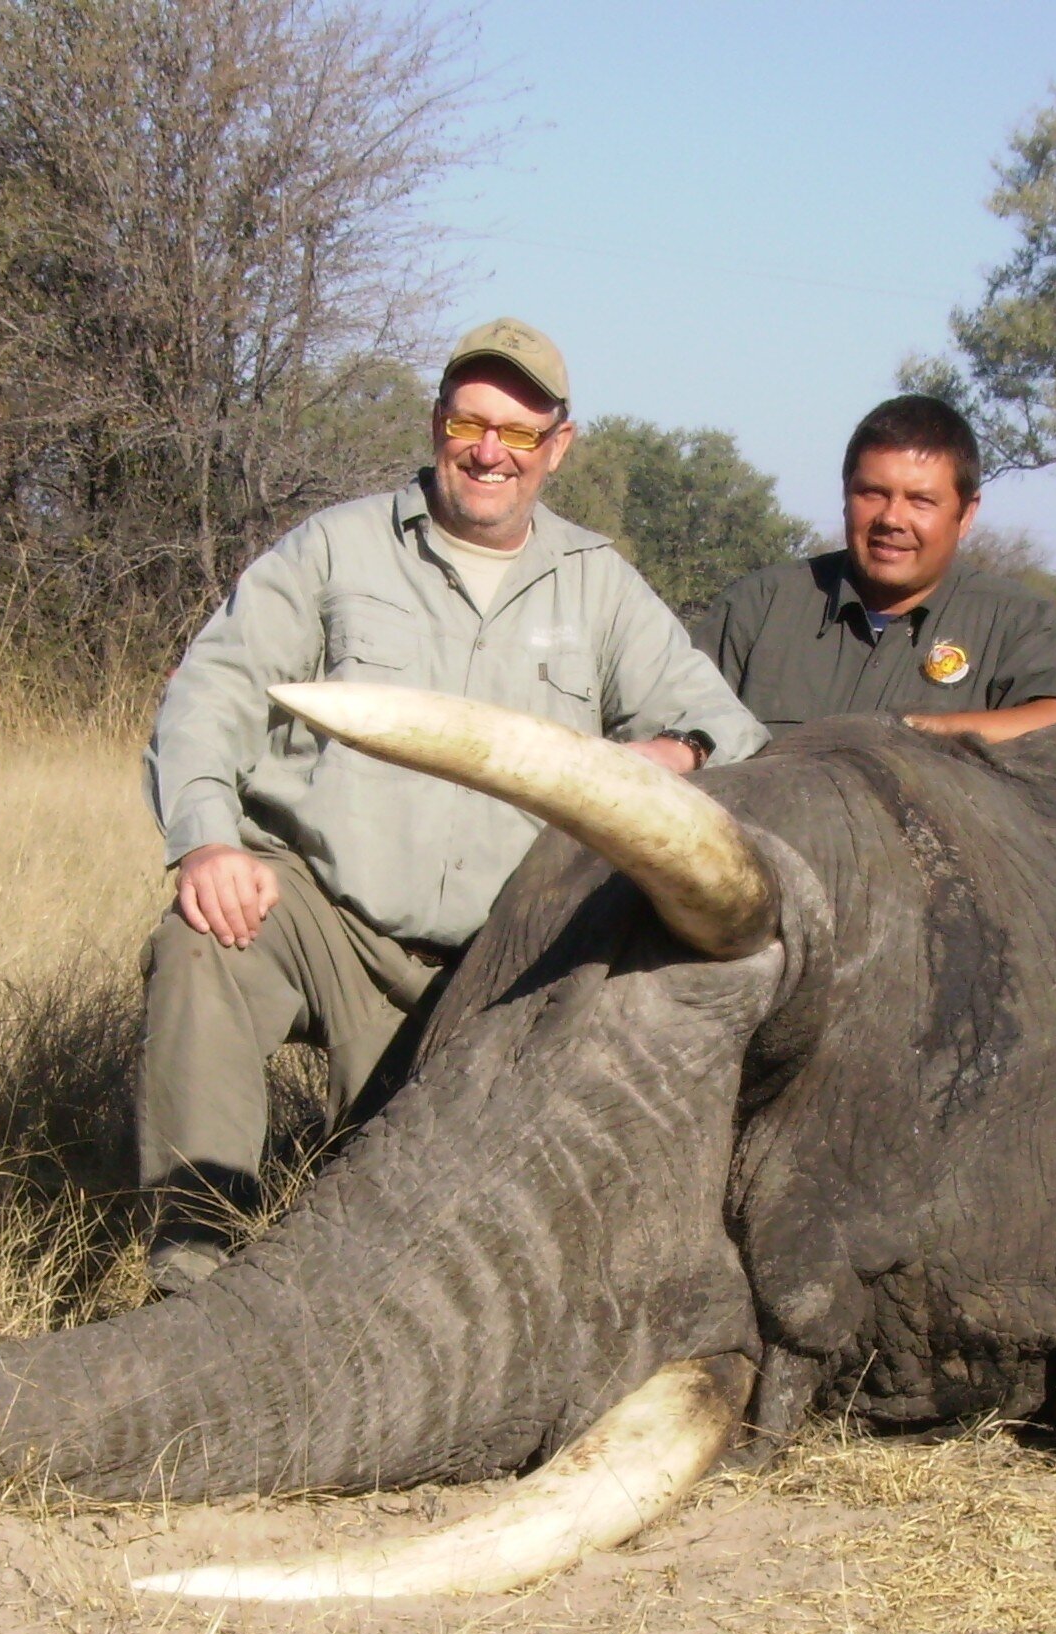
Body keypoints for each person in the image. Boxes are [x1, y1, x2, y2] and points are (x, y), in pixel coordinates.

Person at [138, 317, 767, 1294]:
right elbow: (213, 689)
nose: (488, 452)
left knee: (415, 1265)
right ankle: (187, 1273)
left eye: (517, 434)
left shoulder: (598, 585)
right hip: (332, 924)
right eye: (469, 423)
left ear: (557, 446)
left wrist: (671, 750)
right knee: (202, 944)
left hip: (504, 970)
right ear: (437, 425)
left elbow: (726, 728)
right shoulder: (335, 550)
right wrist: (207, 843)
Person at [695, 393, 1056, 746]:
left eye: (921, 501)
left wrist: (911, 736)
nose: (892, 519)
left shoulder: (1013, 619)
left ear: (966, 513)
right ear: (846, 494)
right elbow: (678, 719)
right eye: (873, 493)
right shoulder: (760, 605)